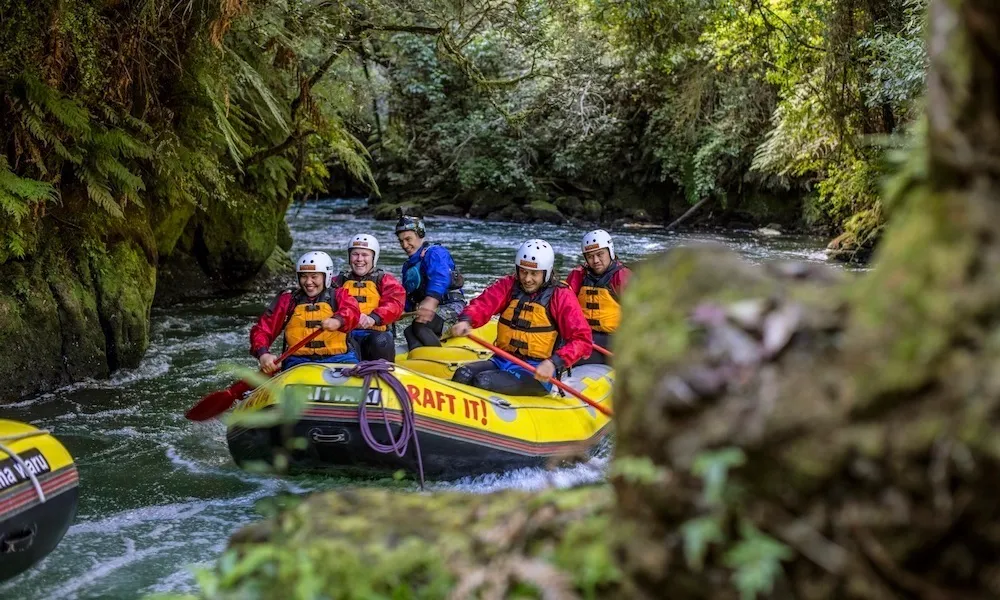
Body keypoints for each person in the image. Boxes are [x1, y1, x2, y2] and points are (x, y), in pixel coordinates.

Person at [449, 239, 593, 396]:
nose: (527, 279)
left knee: (483, 381)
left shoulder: (561, 296)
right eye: (523, 271)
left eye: (534, 273)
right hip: (501, 361)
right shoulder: (509, 285)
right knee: (463, 374)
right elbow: (484, 303)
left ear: (546, 272)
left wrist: (554, 363)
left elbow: (582, 340)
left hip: (535, 371)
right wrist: (467, 319)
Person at [250, 251, 361, 373]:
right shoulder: (288, 301)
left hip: (340, 359)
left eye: (314, 277)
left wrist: (338, 320)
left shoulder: (340, 295)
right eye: (304, 276)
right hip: (298, 361)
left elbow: (353, 311)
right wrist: (263, 354)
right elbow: (262, 329)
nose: (308, 282)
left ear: (326, 276)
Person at [395, 211, 466, 350]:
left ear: (420, 235)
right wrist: (401, 310)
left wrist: (431, 301)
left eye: (408, 239)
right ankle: (419, 361)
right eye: (401, 241)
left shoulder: (435, 252)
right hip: (433, 311)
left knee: (419, 326)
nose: (404, 245)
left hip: (453, 308)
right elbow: (408, 296)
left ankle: (439, 359)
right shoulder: (408, 267)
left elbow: (440, 277)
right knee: (408, 331)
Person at [333, 234, 406, 362]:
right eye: (355, 254)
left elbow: (395, 303)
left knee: (381, 340)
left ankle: (383, 372)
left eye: (365, 255)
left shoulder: (385, 280)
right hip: (346, 336)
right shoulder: (337, 282)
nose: (359, 259)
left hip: (374, 336)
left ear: (374, 257)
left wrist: (374, 318)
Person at [564, 229, 631, 365]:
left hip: (615, 341)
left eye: (600, 254)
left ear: (610, 252)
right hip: (583, 340)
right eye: (590, 256)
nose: (595, 261)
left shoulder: (622, 277)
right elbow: (563, 308)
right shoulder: (578, 276)